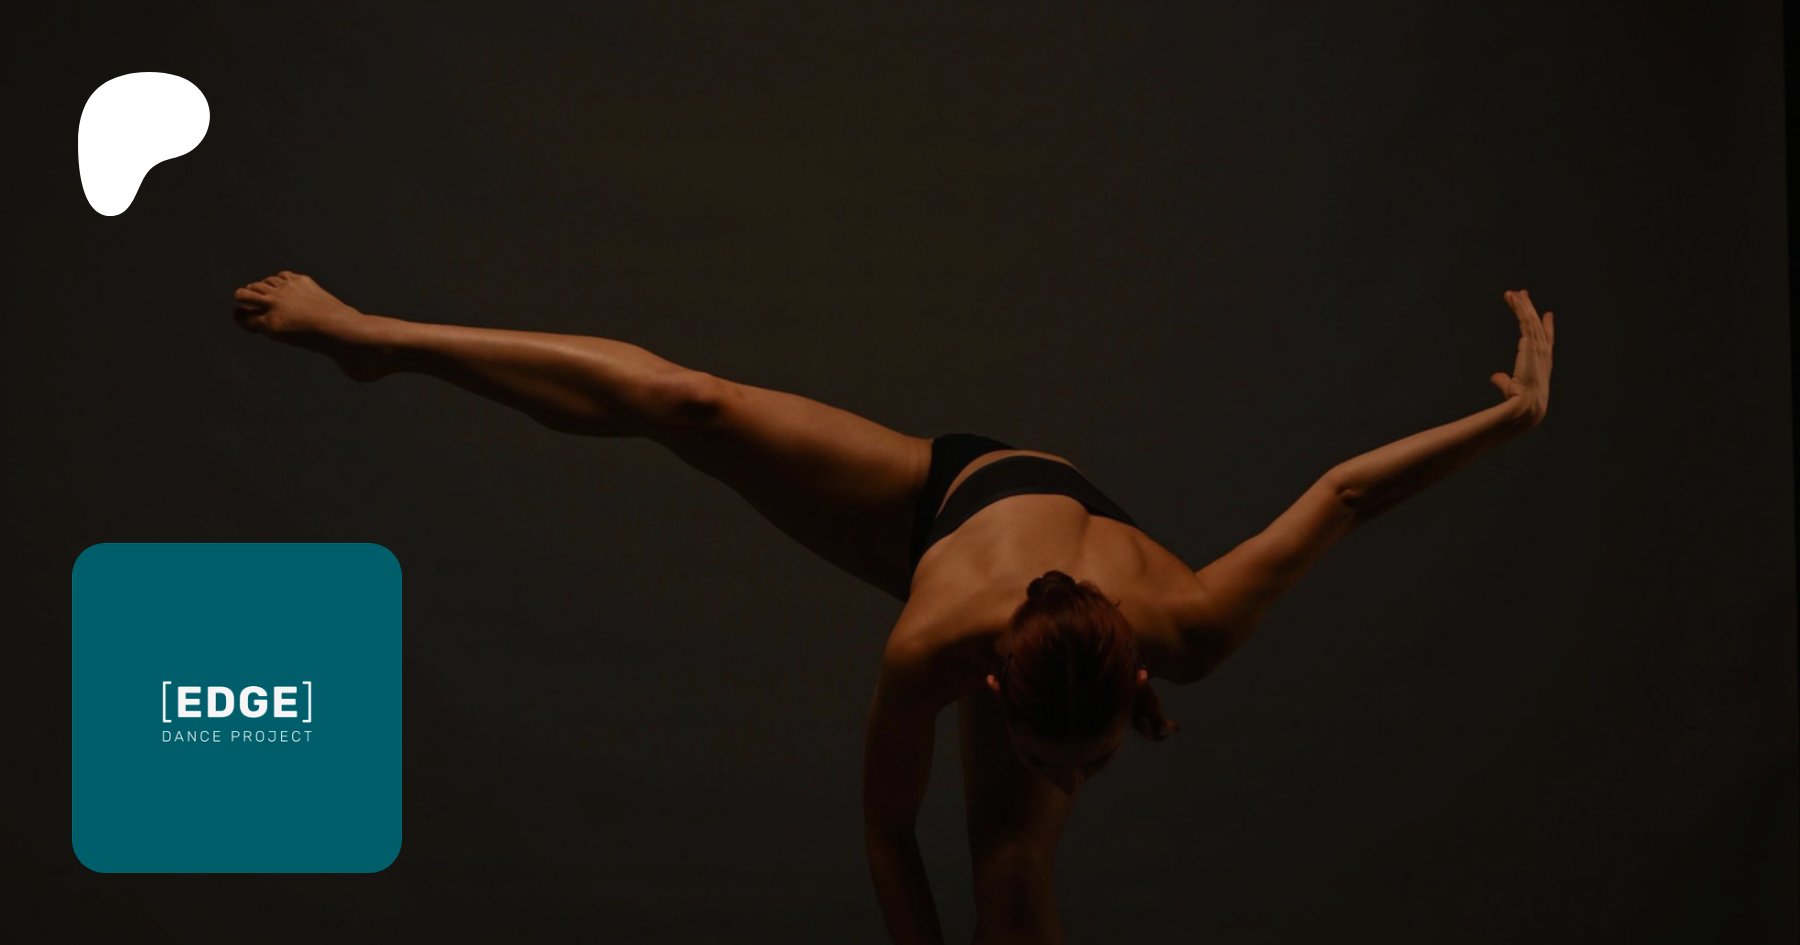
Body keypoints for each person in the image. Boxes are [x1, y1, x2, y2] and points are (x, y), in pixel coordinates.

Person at [231, 272, 1554, 943]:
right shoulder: (931, 645)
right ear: (992, 689)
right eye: (1054, 759)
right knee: (691, 404)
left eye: (1082, 764)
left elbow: (1348, 492)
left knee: (1013, 886)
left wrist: (1509, 420)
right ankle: (379, 340)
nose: (1065, 778)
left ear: (1142, 683)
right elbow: (885, 830)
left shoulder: (1190, 628)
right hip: (945, 500)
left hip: (1014, 543)